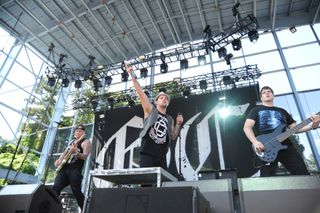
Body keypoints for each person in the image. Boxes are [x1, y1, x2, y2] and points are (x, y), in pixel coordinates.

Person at [243, 86, 320, 177]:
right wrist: (255, 142)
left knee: (302, 172)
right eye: (264, 92)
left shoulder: (282, 111)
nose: (267, 93)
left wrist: (313, 126)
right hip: (266, 146)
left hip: (286, 145)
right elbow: (247, 127)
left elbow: (295, 129)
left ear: (273, 95)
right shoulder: (256, 110)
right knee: (266, 177)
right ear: (261, 97)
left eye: (269, 91)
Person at [125, 63, 184, 170]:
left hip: (161, 156)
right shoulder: (150, 110)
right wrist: (131, 74)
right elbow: (141, 93)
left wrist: (178, 124)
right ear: (156, 101)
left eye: (166, 99)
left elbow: (173, 136)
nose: (164, 99)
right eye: (161, 98)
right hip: (147, 153)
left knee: (161, 185)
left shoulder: (169, 119)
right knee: (146, 183)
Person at [52, 124, 92, 210]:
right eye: (76, 131)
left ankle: (87, 209)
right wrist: (59, 160)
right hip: (64, 169)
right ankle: (52, 209)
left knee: (76, 192)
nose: (77, 132)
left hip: (75, 170)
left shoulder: (86, 142)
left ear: (84, 132)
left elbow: (85, 156)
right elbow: (65, 153)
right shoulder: (72, 142)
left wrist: (76, 152)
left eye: (80, 131)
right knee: (55, 189)